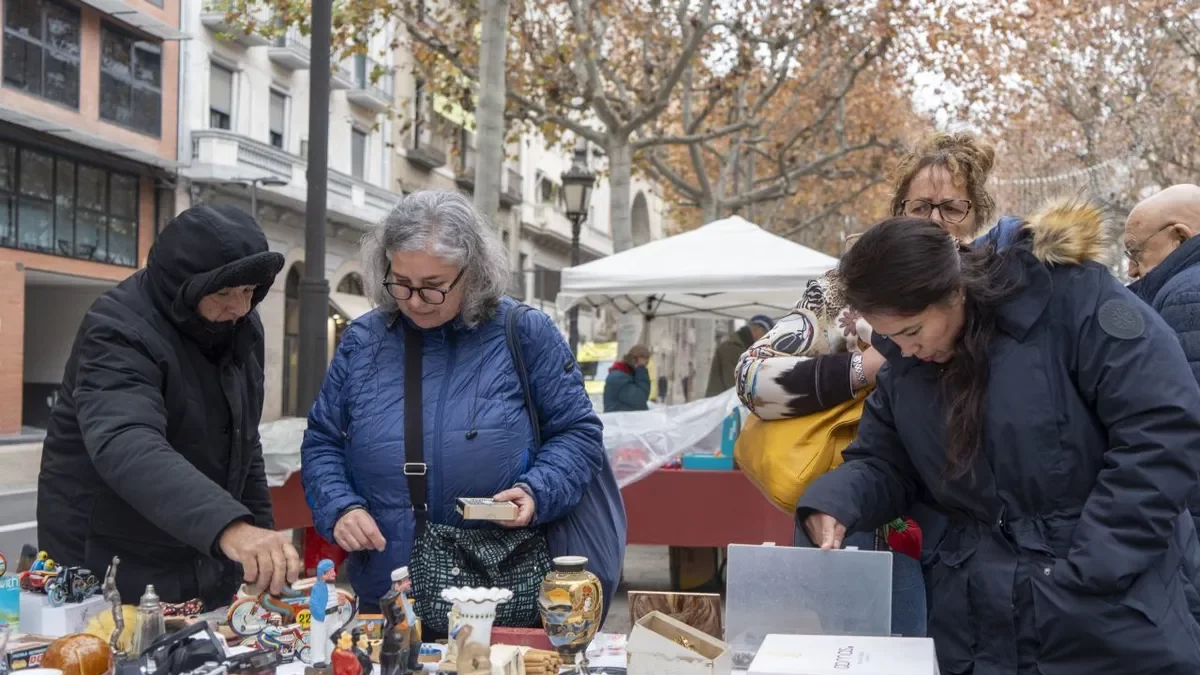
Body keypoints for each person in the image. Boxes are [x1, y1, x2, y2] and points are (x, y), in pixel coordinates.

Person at [798, 205, 1200, 674]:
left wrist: (1095, 566)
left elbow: (1161, 430)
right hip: (973, 618)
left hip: (1109, 610)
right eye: (890, 338)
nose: (905, 349)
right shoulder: (907, 362)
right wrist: (836, 500)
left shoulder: (1073, 299)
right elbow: (885, 461)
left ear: (953, 292)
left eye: (911, 331)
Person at [735, 130, 1009, 636]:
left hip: (972, 527)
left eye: (953, 207)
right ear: (897, 208)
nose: (936, 221)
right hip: (859, 515)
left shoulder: (998, 287)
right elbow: (754, 379)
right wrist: (867, 368)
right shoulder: (845, 286)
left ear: (978, 215)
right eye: (921, 205)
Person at [301, 190, 604, 631]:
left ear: (474, 273)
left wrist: (537, 490)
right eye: (400, 282)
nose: (415, 300)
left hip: (498, 588)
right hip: (387, 592)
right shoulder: (363, 340)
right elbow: (323, 441)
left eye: (433, 286)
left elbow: (578, 433)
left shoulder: (525, 332)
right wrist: (340, 507)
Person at [36, 203, 298, 608]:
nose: (241, 308)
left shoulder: (239, 325)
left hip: (199, 547)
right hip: (110, 560)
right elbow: (127, 442)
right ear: (183, 286)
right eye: (225, 293)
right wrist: (230, 528)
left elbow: (244, 445)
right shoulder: (116, 327)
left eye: (250, 292)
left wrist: (260, 544)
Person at [705, 315, 773, 396]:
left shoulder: (743, 348)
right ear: (756, 329)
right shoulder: (732, 348)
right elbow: (734, 384)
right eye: (766, 335)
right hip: (721, 404)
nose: (766, 340)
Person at [309, 559, 339, 668]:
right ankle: (318, 660)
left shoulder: (331, 586)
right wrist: (321, 615)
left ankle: (330, 658)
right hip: (322, 617)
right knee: (319, 638)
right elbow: (313, 603)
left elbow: (332, 600)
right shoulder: (318, 587)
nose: (334, 574)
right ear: (323, 574)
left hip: (332, 616)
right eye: (331, 572)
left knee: (331, 638)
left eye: (333, 571)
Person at [603, 345, 652, 412]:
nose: (645, 365)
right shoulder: (619, 378)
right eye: (644, 362)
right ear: (636, 360)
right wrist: (641, 369)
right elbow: (640, 400)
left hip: (622, 419)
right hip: (618, 420)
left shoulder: (626, 375)